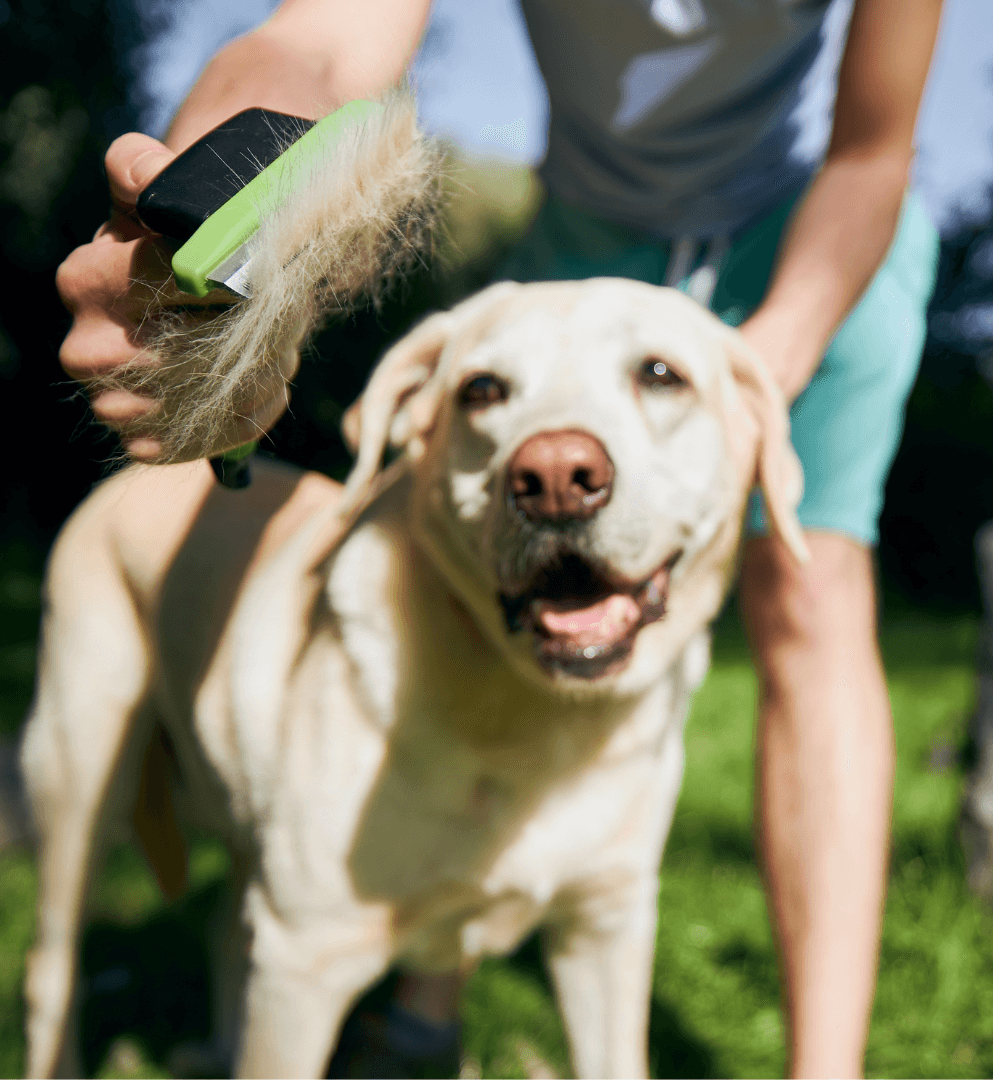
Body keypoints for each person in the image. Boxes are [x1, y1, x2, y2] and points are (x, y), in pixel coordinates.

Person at [56, 0, 944, 1075]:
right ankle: (425, 1016)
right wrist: (200, 227)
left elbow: (872, 149)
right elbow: (327, 45)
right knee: (478, 567)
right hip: (586, 224)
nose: (560, 473)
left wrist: (750, 378)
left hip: (809, 222)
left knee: (814, 591)